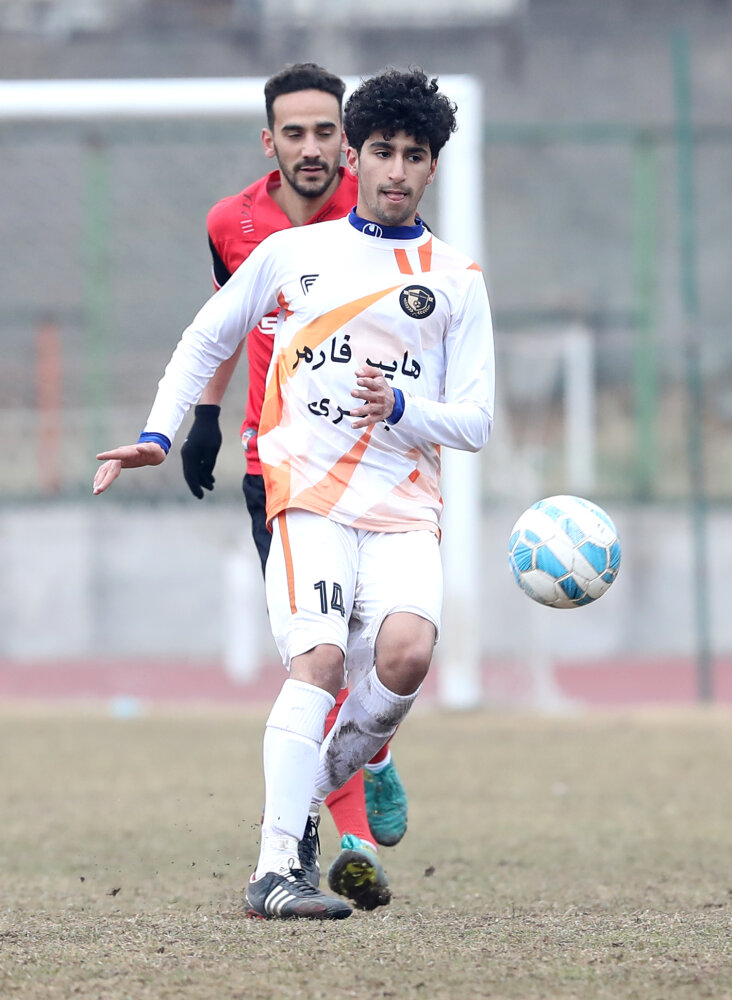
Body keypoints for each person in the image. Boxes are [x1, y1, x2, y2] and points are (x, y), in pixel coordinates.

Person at [93, 67, 495, 922]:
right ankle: (276, 867)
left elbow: (476, 421)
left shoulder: (456, 278)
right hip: (305, 499)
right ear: (357, 155)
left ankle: (317, 788)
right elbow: (205, 341)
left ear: (432, 167)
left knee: (406, 659)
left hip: (404, 508)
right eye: (381, 151)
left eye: (413, 155)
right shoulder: (292, 254)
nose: (395, 169)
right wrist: (162, 434)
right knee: (318, 660)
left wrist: (406, 408)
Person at [178, 63, 407, 909]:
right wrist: (205, 416)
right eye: (293, 132)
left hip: (373, 466)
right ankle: (333, 842)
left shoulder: (378, 206)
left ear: (346, 139)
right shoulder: (231, 223)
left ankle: (374, 755)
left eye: (325, 131)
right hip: (274, 469)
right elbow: (223, 326)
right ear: (268, 141)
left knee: (379, 648)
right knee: (319, 655)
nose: (311, 148)